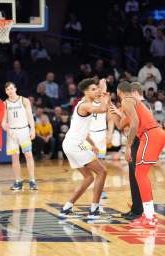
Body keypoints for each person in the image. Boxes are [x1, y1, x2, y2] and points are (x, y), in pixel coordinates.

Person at [109, 81, 165, 228]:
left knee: (140, 175)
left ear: (119, 91)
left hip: (150, 135)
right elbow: (121, 125)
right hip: (154, 135)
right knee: (140, 175)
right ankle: (147, 214)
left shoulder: (127, 100)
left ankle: (149, 217)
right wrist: (113, 112)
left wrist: (127, 147)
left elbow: (134, 124)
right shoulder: (132, 105)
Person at [59, 78, 109, 220]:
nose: (96, 91)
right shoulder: (85, 105)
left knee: (88, 177)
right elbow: (103, 109)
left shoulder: (83, 103)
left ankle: (67, 207)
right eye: (93, 89)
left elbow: (84, 131)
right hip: (75, 144)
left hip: (72, 143)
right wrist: (104, 92)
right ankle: (94, 210)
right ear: (86, 92)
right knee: (102, 171)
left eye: (96, 88)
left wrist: (92, 144)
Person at [1, 82, 38, 191]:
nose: (10, 91)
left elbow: (30, 116)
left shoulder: (24, 100)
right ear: (6, 91)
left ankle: (32, 181)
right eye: (7, 89)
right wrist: (4, 126)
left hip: (24, 131)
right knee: (15, 157)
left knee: (28, 155)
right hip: (12, 133)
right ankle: (18, 181)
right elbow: (3, 120)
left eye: (11, 88)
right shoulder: (5, 103)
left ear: (15, 89)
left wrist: (33, 129)